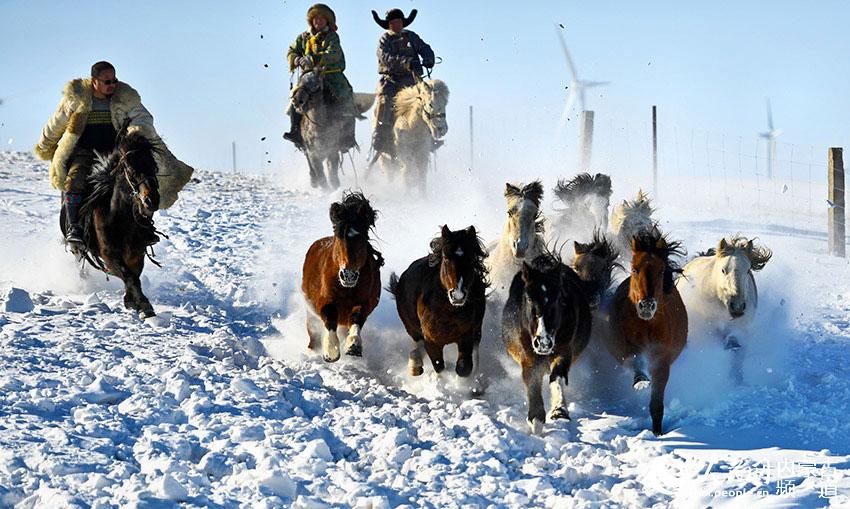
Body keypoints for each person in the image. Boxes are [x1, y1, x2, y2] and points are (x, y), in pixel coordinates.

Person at [34, 61, 193, 249]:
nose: (112, 85)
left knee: (142, 179)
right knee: (73, 181)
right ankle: (74, 228)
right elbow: (55, 124)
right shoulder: (76, 99)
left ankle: (144, 227)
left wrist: (135, 131)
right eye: (107, 81)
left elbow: (143, 118)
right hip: (84, 152)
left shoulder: (125, 98)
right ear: (94, 81)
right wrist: (45, 146)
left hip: (115, 153)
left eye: (114, 80)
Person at [284, 3, 357, 151]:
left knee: (347, 98)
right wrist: (297, 59)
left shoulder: (332, 37)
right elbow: (291, 51)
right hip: (309, 76)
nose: (318, 22)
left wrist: (314, 59)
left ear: (327, 21)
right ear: (312, 21)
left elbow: (334, 53)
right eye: (316, 19)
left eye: (322, 19)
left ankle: (347, 137)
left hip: (331, 76)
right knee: (296, 98)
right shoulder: (303, 38)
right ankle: (296, 131)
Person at [370, 8, 435, 158]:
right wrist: (407, 63)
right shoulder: (384, 40)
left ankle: (430, 134)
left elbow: (424, 48)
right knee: (384, 101)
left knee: (427, 99)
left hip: (412, 80)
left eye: (398, 22)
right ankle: (380, 134)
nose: (395, 25)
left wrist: (428, 58)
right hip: (391, 80)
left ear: (402, 22)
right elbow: (386, 58)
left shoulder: (411, 37)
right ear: (388, 25)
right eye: (392, 22)